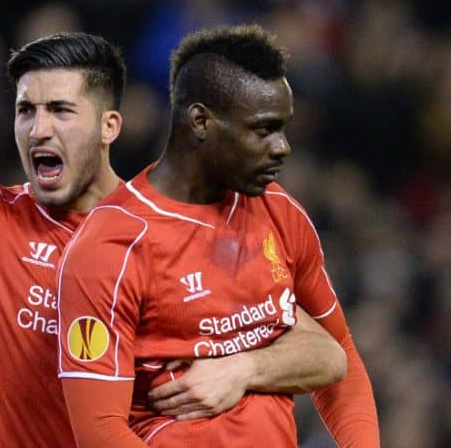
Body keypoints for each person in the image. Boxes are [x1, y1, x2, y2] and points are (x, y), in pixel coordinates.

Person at [0, 32, 346, 448]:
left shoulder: (173, 231)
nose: (38, 130)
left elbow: (322, 350)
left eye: (61, 111)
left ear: (109, 126)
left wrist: (242, 367)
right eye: (26, 110)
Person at [57, 25, 379, 447]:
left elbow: (342, 361)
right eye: (263, 129)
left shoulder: (280, 212)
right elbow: (99, 432)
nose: (282, 147)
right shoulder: (111, 246)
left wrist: (244, 366)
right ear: (201, 121)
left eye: (283, 129)